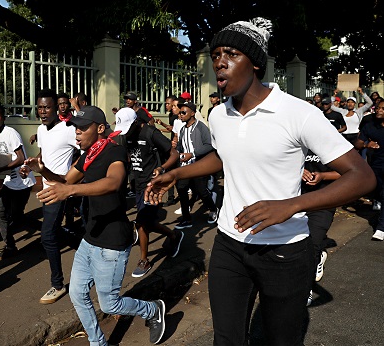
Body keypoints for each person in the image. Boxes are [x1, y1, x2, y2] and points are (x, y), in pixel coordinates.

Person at [145, 17, 374, 345]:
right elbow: (224, 155)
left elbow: (362, 176)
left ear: (254, 63)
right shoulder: (219, 115)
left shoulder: (297, 113)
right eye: (215, 55)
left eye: (231, 54)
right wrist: (176, 173)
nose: (220, 62)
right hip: (228, 245)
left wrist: (291, 205)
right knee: (226, 338)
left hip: (284, 251)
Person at [26, 105, 166, 345]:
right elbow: (65, 179)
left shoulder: (115, 152)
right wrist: (43, 170)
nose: (77, 133)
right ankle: (98, 342)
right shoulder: (87, 156)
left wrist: (70, 190)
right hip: (90, 238)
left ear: (100, 128)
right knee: (77, 294)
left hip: (112, 242)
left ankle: (152, 310)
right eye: (75, 129)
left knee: (110, 303)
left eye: (82, 128)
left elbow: (113, 182)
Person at [22, 89, 78, 304]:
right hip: (45, 187)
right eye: (40, 108)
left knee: (47, 236)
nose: (43, 111)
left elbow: (86, 150)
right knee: (53, 231)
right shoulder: (41, 129)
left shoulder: (68, 129)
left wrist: (74, 175)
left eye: (47, 107)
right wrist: (31, 165)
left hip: (59, 189)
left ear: (57, 108)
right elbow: (44, 154)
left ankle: (57, 285)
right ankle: (85, 246)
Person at [116, 107, 182, 278]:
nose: (126, 133)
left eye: (128, 129)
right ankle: (173, 234)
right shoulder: (127, 136)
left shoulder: (150, 133)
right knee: (148, 223)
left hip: (154, 186)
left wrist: (161, 168)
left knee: (141, 222)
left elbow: (174, 154)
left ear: (137, 122)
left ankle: (144, 260)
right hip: (138, 186)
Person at [0, 102, 35, 260]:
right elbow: (4, 159)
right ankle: (11, 246)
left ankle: (49, 232)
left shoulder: (10, 133)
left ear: (3, 118)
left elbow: (21, 158)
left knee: (18, 217)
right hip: (9, 182)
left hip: (22, 182)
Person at [302, 149, 340, 306]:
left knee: (311, 246)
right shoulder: (295, 139)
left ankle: (306, 288)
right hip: (296, 201)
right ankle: (318, 256)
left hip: (324, 203)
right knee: (294, 246)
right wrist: (297, 170)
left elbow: (345, 172)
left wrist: (323, 175)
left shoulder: (330, 140)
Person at [174, 101, 218, 229]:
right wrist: (176, 149)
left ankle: (213, 209)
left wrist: (192, 154)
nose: (180, 115)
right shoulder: (182, 130)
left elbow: (209, 146)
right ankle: (186, 219)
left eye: (183, 112)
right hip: (186, 167)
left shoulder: (201, 127)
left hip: (199, 166)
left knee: (201, 191)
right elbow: (180, 147)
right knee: (181, 189)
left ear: (192, 113)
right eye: (180, 112)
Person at [356, 100, 384, 241]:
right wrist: (368, 144)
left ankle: (381, 228)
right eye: (378, 108)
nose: (379, 110)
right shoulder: (370, 125)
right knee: (378, 191)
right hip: (376, 166)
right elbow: (358, 143)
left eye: (382, 109)